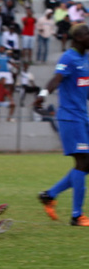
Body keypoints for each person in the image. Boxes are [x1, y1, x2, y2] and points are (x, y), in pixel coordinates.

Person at [35, 23, 89, 227]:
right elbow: (56, 79)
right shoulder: (69, 57)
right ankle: (76, 216)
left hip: (83, 117)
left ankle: (50, 195)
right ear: (78, 38)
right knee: (83, 163)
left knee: (86, 164)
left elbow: (85, 90)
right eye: (88, 34)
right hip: (70, 118)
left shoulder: (85, 58)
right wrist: (42, 95)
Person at [0, 46, 16, 122]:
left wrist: (11, 100)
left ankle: (9, 118)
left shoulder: (5, 89)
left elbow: (9, 95)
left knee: (13, 105)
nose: (5, 81)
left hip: (2, 102)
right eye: (4, 80)